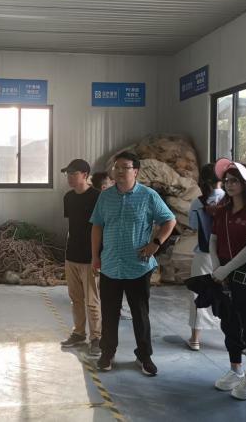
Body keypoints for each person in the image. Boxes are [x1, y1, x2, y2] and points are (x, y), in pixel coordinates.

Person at [90, 151, 176, 375]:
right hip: (110, 265)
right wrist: (95, 256)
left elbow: (169, 220)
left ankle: (144, 356)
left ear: (135, 171)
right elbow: (97, 226)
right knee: (109, 313)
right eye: (116, 167)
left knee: (140, 314)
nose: (119, 171)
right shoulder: (105, 197)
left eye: (125, 167)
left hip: (138, 266)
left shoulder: (148, 196)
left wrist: (155, 244)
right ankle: (107, 353)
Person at [210, 159, 246, 400]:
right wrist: (216, 268)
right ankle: (235, 369)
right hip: (223, 276)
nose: (230, 185)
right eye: (227, 181)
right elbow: (213, 240)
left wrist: (226, 270)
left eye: (235, 181)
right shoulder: (221, 211)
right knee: (229, 324)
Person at [59, 159, 102, 356]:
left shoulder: (97, 197)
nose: (69, 177)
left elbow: (101, 228)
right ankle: (78, 333)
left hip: (90, 257)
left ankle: (96, 338)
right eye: (67, 174)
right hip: (72, 255)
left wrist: (97, 256)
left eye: (73, 174)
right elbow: (72, 227)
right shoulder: (68, 198)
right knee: (75, 298)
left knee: (92, 301)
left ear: (85, 175)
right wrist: (67, 253)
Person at [187, 163, 224, 350]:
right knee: (229, 295)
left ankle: (195, 339)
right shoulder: (229, 199)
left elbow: (194, 227)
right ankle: (236, 339)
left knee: (198, 294)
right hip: (226, 256)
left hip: (204, 253)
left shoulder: (197, 202)